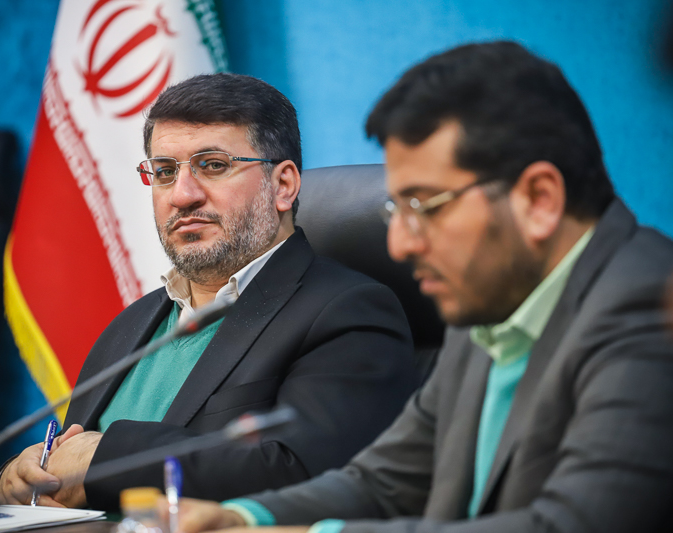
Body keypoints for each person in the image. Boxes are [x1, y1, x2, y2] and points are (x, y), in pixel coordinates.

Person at [170, 42, 673, 533]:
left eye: (425, 206)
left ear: (539, 200)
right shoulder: (490, 306)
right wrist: (241, 518)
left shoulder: (648, 312)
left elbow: (572, 524)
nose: (400, 243)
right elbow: (383, 481)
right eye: (397, 209)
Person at [0, 73, 418, 511]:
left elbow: (305, 475)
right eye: (164, 172)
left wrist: (106, 461)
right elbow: (71, 457)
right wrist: (20, 477)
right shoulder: (130, 326)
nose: (182, 195)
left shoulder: (347, 312)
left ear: (283, 185)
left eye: (213, 165)